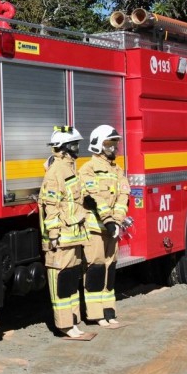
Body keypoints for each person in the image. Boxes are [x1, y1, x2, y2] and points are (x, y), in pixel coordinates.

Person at [38, 126, 92, 339]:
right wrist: (53, 234)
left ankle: (73, 322)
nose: (77, 148)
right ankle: (64, 325)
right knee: (60, 284)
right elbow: (51, 205)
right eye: (74, 145)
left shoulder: (70, 169)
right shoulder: (56, 172)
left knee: (70, 281)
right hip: (60, 239)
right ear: (64, 148)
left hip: (73, 236)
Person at [79, 125, 130, 328]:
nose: (114, 148)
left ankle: (109, 311)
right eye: (110, 144)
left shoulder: (117, 170)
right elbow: (95, 198)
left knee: (111, 269)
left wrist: (116, 221)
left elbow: (122, 197)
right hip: (95, 230)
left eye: (115, 143)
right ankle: (95, 314)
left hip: (112, 229)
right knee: (96, 269)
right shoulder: (87, 170)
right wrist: (108, 221)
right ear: (99, 145)